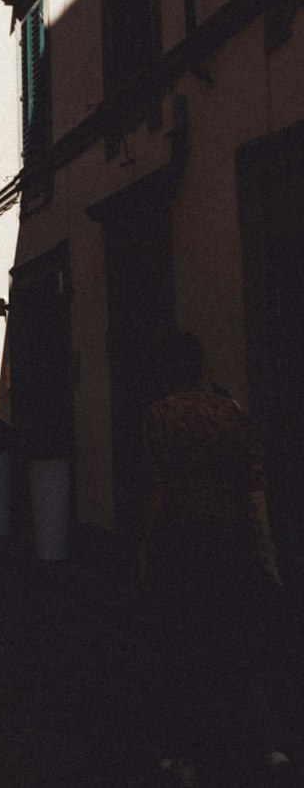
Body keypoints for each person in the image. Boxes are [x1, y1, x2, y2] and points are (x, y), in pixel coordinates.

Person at [138, 331, 293, 786]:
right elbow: (254, 482)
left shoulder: (158, 417)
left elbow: (157, 491)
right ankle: (261, 743)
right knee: (236, 643)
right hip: (233, 539)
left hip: (183, 541)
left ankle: (186, 752)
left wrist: (145, 551)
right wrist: (266, 551)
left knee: (183, 646)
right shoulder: (231, 411)